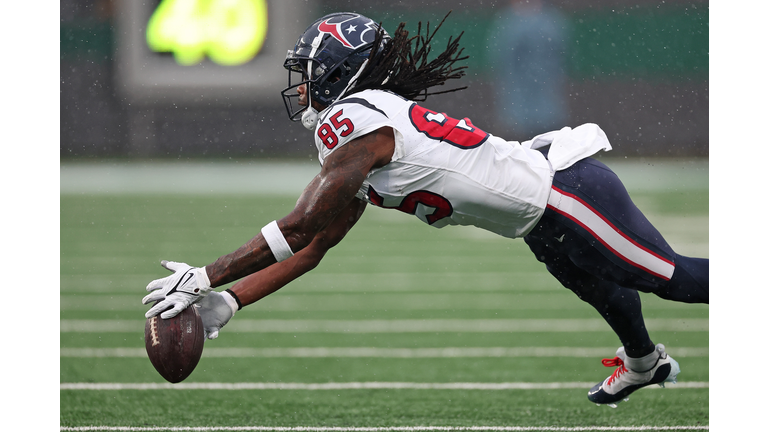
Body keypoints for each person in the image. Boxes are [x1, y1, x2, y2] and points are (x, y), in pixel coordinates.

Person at [142, 12, 708, 407]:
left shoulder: (355, 120)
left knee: (676, 280)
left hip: (565, 193)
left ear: (339, 72)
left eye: (309, 72)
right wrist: (231, 300)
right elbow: (313, 247)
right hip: (538, 218)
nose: (302, 85)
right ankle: (644, 363)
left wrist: (206, 275)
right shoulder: (367, 130)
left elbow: (301, 224)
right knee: (601, 287)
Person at [486, 0, 569, 138]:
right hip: (518, 101)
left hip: (545, 99)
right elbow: (501, 57)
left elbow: (560, 54)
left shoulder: (550, 21)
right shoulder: (508, 22)